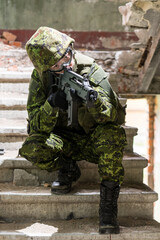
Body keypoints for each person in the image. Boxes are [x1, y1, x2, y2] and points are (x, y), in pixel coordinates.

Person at [19, 26, 127, 234]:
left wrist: (94, 101)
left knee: (112, 136)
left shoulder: (93, 71)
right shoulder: (42, 77)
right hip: (64, 141)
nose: (63, 67)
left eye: (64, 59)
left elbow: (115, 118)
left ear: (70, 49)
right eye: (54, 66)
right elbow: (35, 125)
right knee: (33, 147)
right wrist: (51, 104)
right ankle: (68, 168)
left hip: (91, 141)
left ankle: (108, 210)